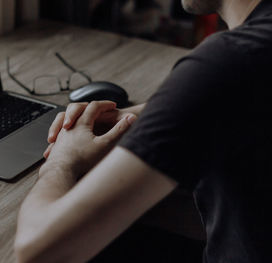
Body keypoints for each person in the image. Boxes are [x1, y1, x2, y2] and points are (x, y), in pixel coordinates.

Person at [14, 0, 272, 262]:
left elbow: (36, 251)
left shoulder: (230, 61)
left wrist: (62, 160)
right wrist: (143, 117)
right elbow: (228, 101)